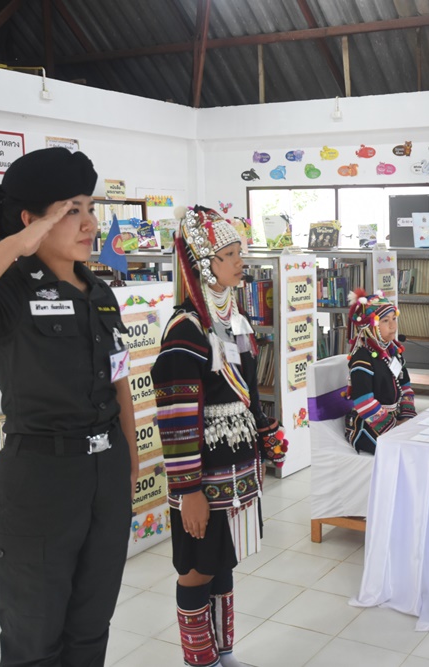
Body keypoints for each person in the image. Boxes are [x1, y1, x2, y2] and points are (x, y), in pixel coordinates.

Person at [0, 147, 137, 666]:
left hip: (104, 474)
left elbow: (120, 379)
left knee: (90, 630)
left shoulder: (100, 291)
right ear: (31, 220)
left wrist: (130, 458)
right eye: (70, 209)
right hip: (40, 479)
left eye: (89, 206)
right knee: (35, 642)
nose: (89, 222)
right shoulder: (6, 290)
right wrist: (16, 245)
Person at [151, 206, 288, 667]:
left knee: (223, 561)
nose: (239, 263)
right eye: (228, 255)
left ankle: (223, 652)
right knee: (196, 568)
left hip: (237, 467)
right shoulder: (185, 330)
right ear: (203, 265)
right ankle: (200, 660)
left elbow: (248, 393)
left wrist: (266, 436)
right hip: (203, 475)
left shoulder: (237, 319)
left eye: (239, 253)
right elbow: (174, 417)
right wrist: (188, 490)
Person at [344, 289, 416, 454]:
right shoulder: (362, 359)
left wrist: (406, 416)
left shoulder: (393, 351)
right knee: (401, 451)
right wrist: (394, 427)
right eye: (385, 321)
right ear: (370, 326)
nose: (393, 325)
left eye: (394, 319)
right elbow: (363, 402)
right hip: (367, 424)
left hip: (395, 419)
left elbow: (405, 385)